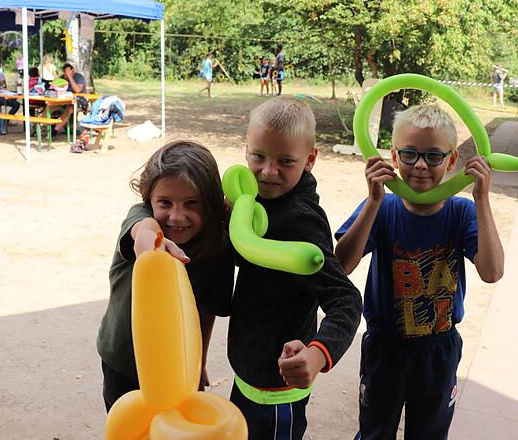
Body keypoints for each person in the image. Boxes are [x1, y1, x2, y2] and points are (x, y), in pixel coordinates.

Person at [335, 104, 505, 440]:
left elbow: (493, 271)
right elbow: (342, 265)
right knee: (374, 433)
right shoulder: (381, 207)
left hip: (438, 351)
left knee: (429, 434)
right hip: (385, 349)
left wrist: (482, 199)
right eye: (410, 154)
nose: (421, 165)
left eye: (433, 156)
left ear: (452, 161)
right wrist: (372, 202)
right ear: (394, 157)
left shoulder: (461, 212)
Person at [228, 97, 362, 439]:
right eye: (258, 156)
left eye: (285, 161)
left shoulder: (302, 221)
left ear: (310, 159)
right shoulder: (250, 200)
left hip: (278, 392)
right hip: (247, 376)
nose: (268, 172)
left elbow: (345, 299)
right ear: (246, 148)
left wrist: (318, 354)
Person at [96, 140, 235, 412]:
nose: (176, 216)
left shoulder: (218, 248)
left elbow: (206, 311)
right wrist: (152, 245)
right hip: (123, 361)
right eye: (165, 202)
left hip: (176, 369)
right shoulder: (141, 219)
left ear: (210, 202)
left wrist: (199, 363)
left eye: (192, 203)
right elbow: (142, 231)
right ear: (149, 199)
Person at [52, 63, 88, 136]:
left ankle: (55, 131)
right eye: (65, 72)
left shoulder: (79, 77)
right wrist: (55, 82)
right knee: (50, 106)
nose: (66, 75)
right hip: (63, 101)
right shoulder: (62, 78)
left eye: (68, 72)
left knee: (70, 108)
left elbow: (78, 90)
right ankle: (41, 125)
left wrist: (70, 77)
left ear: (73, 71)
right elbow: (55, 89)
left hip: (79, 102)